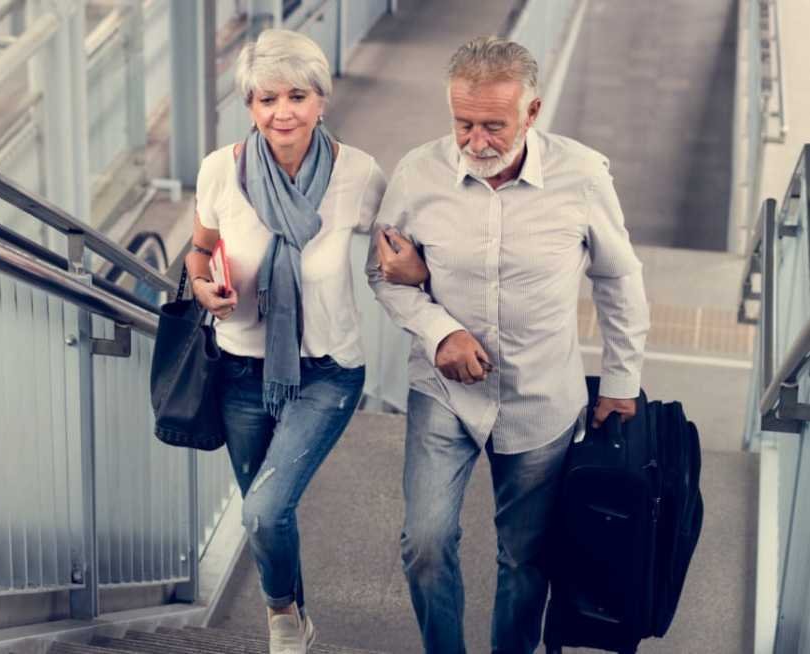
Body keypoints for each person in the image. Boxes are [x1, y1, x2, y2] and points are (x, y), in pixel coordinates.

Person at [367, 36, 651, 653]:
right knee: (426, 541)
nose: (475, 142)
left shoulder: (583, 176)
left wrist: (622, 381)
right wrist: (440, 330)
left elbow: (618, 278)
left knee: (525, 561)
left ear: (533, 112)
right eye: (462, 123)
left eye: (493, 126)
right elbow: (379, 273)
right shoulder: (419, 173)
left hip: (542, 400)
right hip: (444, 394)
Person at [185, 28, 422, 654]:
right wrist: (202, 286)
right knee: (268, 513)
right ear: (250, 107)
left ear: (322, 99)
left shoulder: (357, 173)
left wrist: (420, 277)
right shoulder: (221, 170)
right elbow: (199, 249)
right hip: (239, 369)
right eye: (266, 100)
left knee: (262, 511)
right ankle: (294, 610)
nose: (281, 112)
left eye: (296, 95)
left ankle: (280, 615)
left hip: (326, 371)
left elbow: (404, 246)